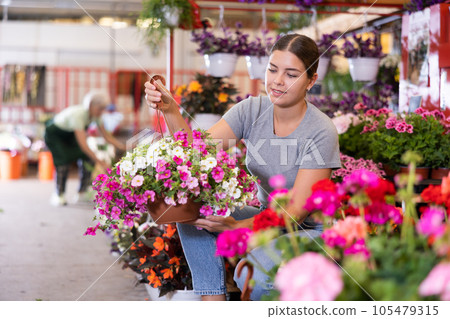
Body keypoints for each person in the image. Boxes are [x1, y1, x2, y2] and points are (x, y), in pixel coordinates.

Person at [144, 33, 341, 300]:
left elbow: (295, 213)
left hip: (308, 230)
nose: (278, 81)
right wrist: (169, 109)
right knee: (192, 210)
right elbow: (196, 153)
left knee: (253, 274)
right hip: (264, 215)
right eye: (272, 70)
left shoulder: (320, 131)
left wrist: (238, 227)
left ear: (311, 81)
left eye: (291, 74)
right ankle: (213, 301)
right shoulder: (251, 110)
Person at [44, 90, 126, 206]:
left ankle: (82, 192)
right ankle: (59, 194)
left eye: (104, 108)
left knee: (88, 159)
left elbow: (107, 136)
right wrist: (101, 163)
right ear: (91, 105)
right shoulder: (79, 115)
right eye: (100, 108)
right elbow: (84, 146)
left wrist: (122, 146)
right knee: (63, 162)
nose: (102, 111)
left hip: (70, 136)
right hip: (55, 136)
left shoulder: (96, 116)